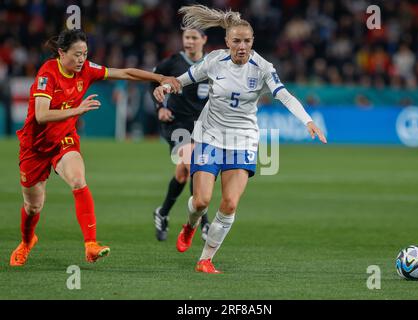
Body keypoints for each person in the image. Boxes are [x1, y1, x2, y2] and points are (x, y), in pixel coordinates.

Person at [153, 5, 327, 274]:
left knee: (230, 203)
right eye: (236, 41)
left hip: (242, 141)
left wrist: (307, 120)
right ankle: (190, 225)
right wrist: (166, 86)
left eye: (247, 41)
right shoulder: (214, 61)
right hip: (209, 136)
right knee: (200, 202)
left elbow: (284, 95)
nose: (242, 46)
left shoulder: (263, 68)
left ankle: (205, 260)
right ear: (227, 42)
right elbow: (183, 79)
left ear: (252, 42)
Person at [10, 29, 180, 267]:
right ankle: (27, 242)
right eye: (77, 54)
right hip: (34, 146)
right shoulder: (47, 74)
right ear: (61, 53)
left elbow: (125, 72)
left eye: (85, 54)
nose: (81, 60)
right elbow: (41, 115)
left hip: (64, 140)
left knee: (78, 180)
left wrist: (159, 78)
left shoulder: (86, 69)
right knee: (33, 205)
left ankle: (91, 245)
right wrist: (77, 110)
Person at [149, 28, 211, 242]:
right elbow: (153, 81)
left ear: (204, 40)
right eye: (186, 37)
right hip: (176, 123)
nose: (190, 41)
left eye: (194, 38)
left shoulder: (211, 64)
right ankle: (205, 223)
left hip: (203, 126)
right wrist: (160, 108)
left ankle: (162, 212)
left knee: (183, 173)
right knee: (194, 163)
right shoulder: (173, 62)